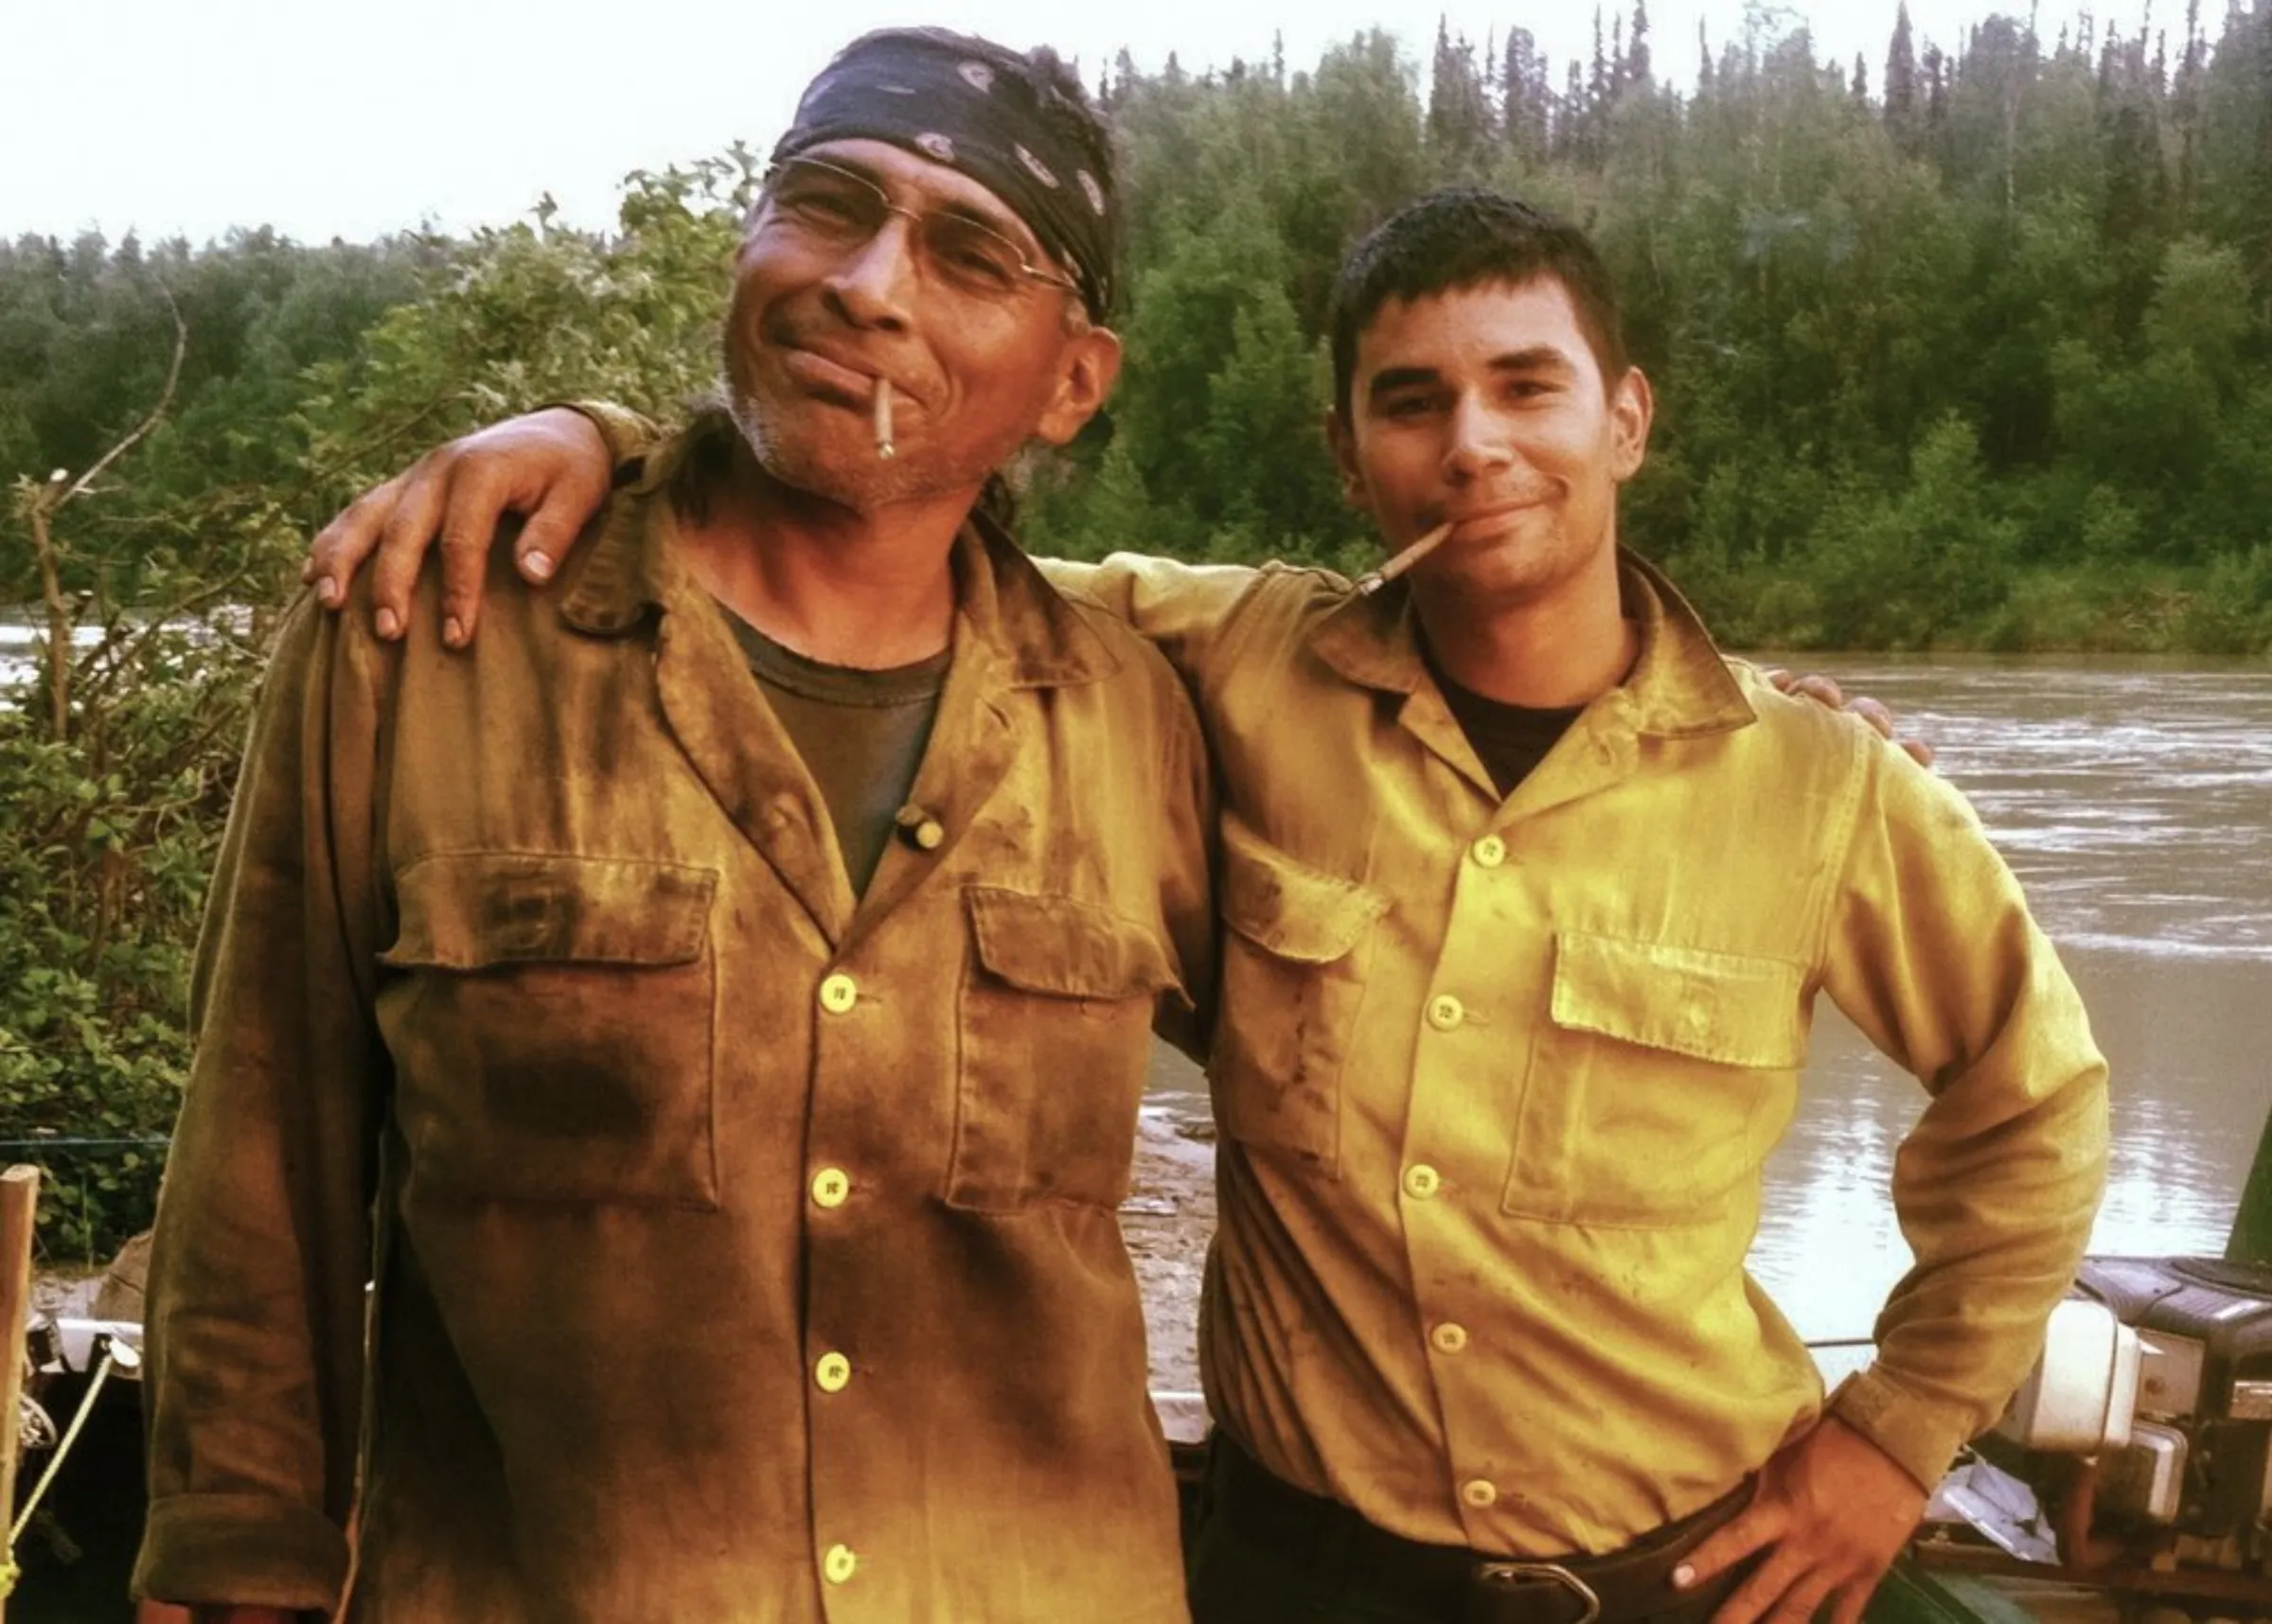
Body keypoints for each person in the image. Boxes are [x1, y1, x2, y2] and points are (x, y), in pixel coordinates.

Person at [307, 191, 2109, 1624]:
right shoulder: (1217, 665)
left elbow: (2036, 1106)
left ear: (1624, 417)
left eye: (1526, 386)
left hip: (1698, 1577)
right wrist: (605, 445)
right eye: (1413, 403)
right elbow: (874, 532)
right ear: (1352, 459)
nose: (1473, 445)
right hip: (1294, 1577)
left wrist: (1895, 1438)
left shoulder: (1820, 785)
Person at [134, 28, 1216, 1623]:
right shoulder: (424, 633)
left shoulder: (1140, 723)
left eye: (970, 252)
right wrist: (234, 1564)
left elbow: (1389, 1146)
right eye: (829, 205)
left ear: (1073, 383)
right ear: (747, 243)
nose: (869, 283)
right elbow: (260, 1159)